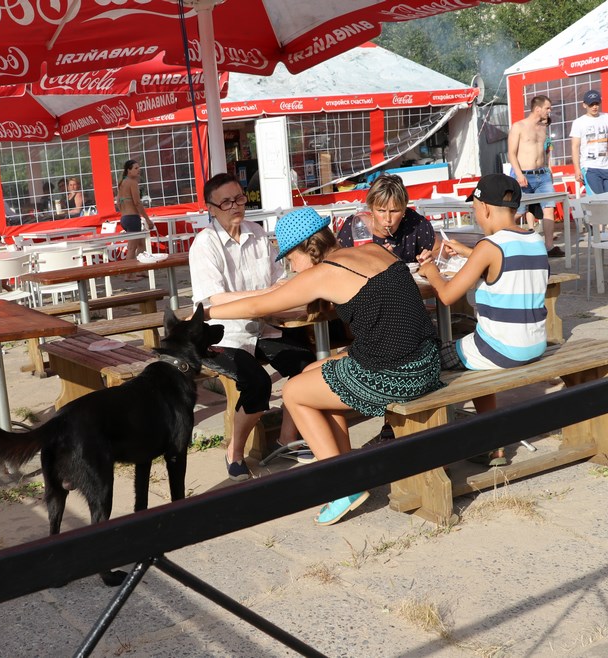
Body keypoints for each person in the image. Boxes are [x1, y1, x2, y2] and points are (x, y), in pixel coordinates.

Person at [206, 204, 444, 525]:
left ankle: (341, 487)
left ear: (307, 248)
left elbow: (257, 306)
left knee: (293, 392)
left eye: (290, 259)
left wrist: (205, 314)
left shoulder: (324, 272)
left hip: (398, 373)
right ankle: (347, 470)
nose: (291, 267)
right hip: (427, 360)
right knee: (312, 374)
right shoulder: (373, 250)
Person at [189, 173, 318, 481]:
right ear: (211, 209)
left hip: (264, 325)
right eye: (226, 202)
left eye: (239, 198)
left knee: (306, 365)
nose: (236, 206)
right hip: (221, 333)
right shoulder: (204, 244)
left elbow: (278, 281)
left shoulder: (257, 233)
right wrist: (266, 295)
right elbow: (215, 298)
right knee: (257, 384)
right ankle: (234, 451)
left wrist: (279, 292)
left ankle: (287, 439)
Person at [417, 173, 548, 466]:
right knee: (475, 348)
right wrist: (468, 252)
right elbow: (505, 260)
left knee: (426, 358)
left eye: (474, 208)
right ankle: (490, 441)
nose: (475, 215)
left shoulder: (489, 246)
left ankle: (476, 443)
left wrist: (431, 272)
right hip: (535, 344)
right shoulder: (535, 239)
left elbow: (447, 295)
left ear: (485, 208)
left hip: (499, 350)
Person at [508, 95, 563, 257]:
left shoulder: (543, 128)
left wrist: (548, 170)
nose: (549, 111)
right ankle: (498, 236)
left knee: (549, 209)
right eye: (547, 108)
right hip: (524, 175)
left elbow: (543, 153)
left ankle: (549, 246)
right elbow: (511, 154)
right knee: (519, 211)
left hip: (542, 175)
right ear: (537, 109)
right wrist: (519, 174)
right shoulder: (518, 126)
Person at [336, 174, 435, 262]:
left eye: (394, 211)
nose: (388, 219)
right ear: (371, 208)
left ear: (404, 210)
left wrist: (431, 256)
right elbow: (337, 263)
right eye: (381, 211)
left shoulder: (415, 223)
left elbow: (437, 249)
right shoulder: (355, 226)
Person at [570, 89, 608, 195]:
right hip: (590, 167)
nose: (594, 107)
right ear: (584, 105)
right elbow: (575, 147)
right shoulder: (578, 122)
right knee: (598, 201)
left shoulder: (607, 117)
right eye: (591, 104)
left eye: (596, 103)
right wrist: (577, 169)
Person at [117, 159, 152, 281]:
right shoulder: (132, 182)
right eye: (136, 168)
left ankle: (140, 269)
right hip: (132, 218)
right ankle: (128, 274)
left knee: (141, 244)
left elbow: (118, 202)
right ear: (129, 170)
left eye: (139, 168)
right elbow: (137, 203)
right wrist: (147, 219)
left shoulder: (122, 182)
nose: (138, 170)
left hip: (125, 218)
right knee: (132, 248)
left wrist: (124, 212)